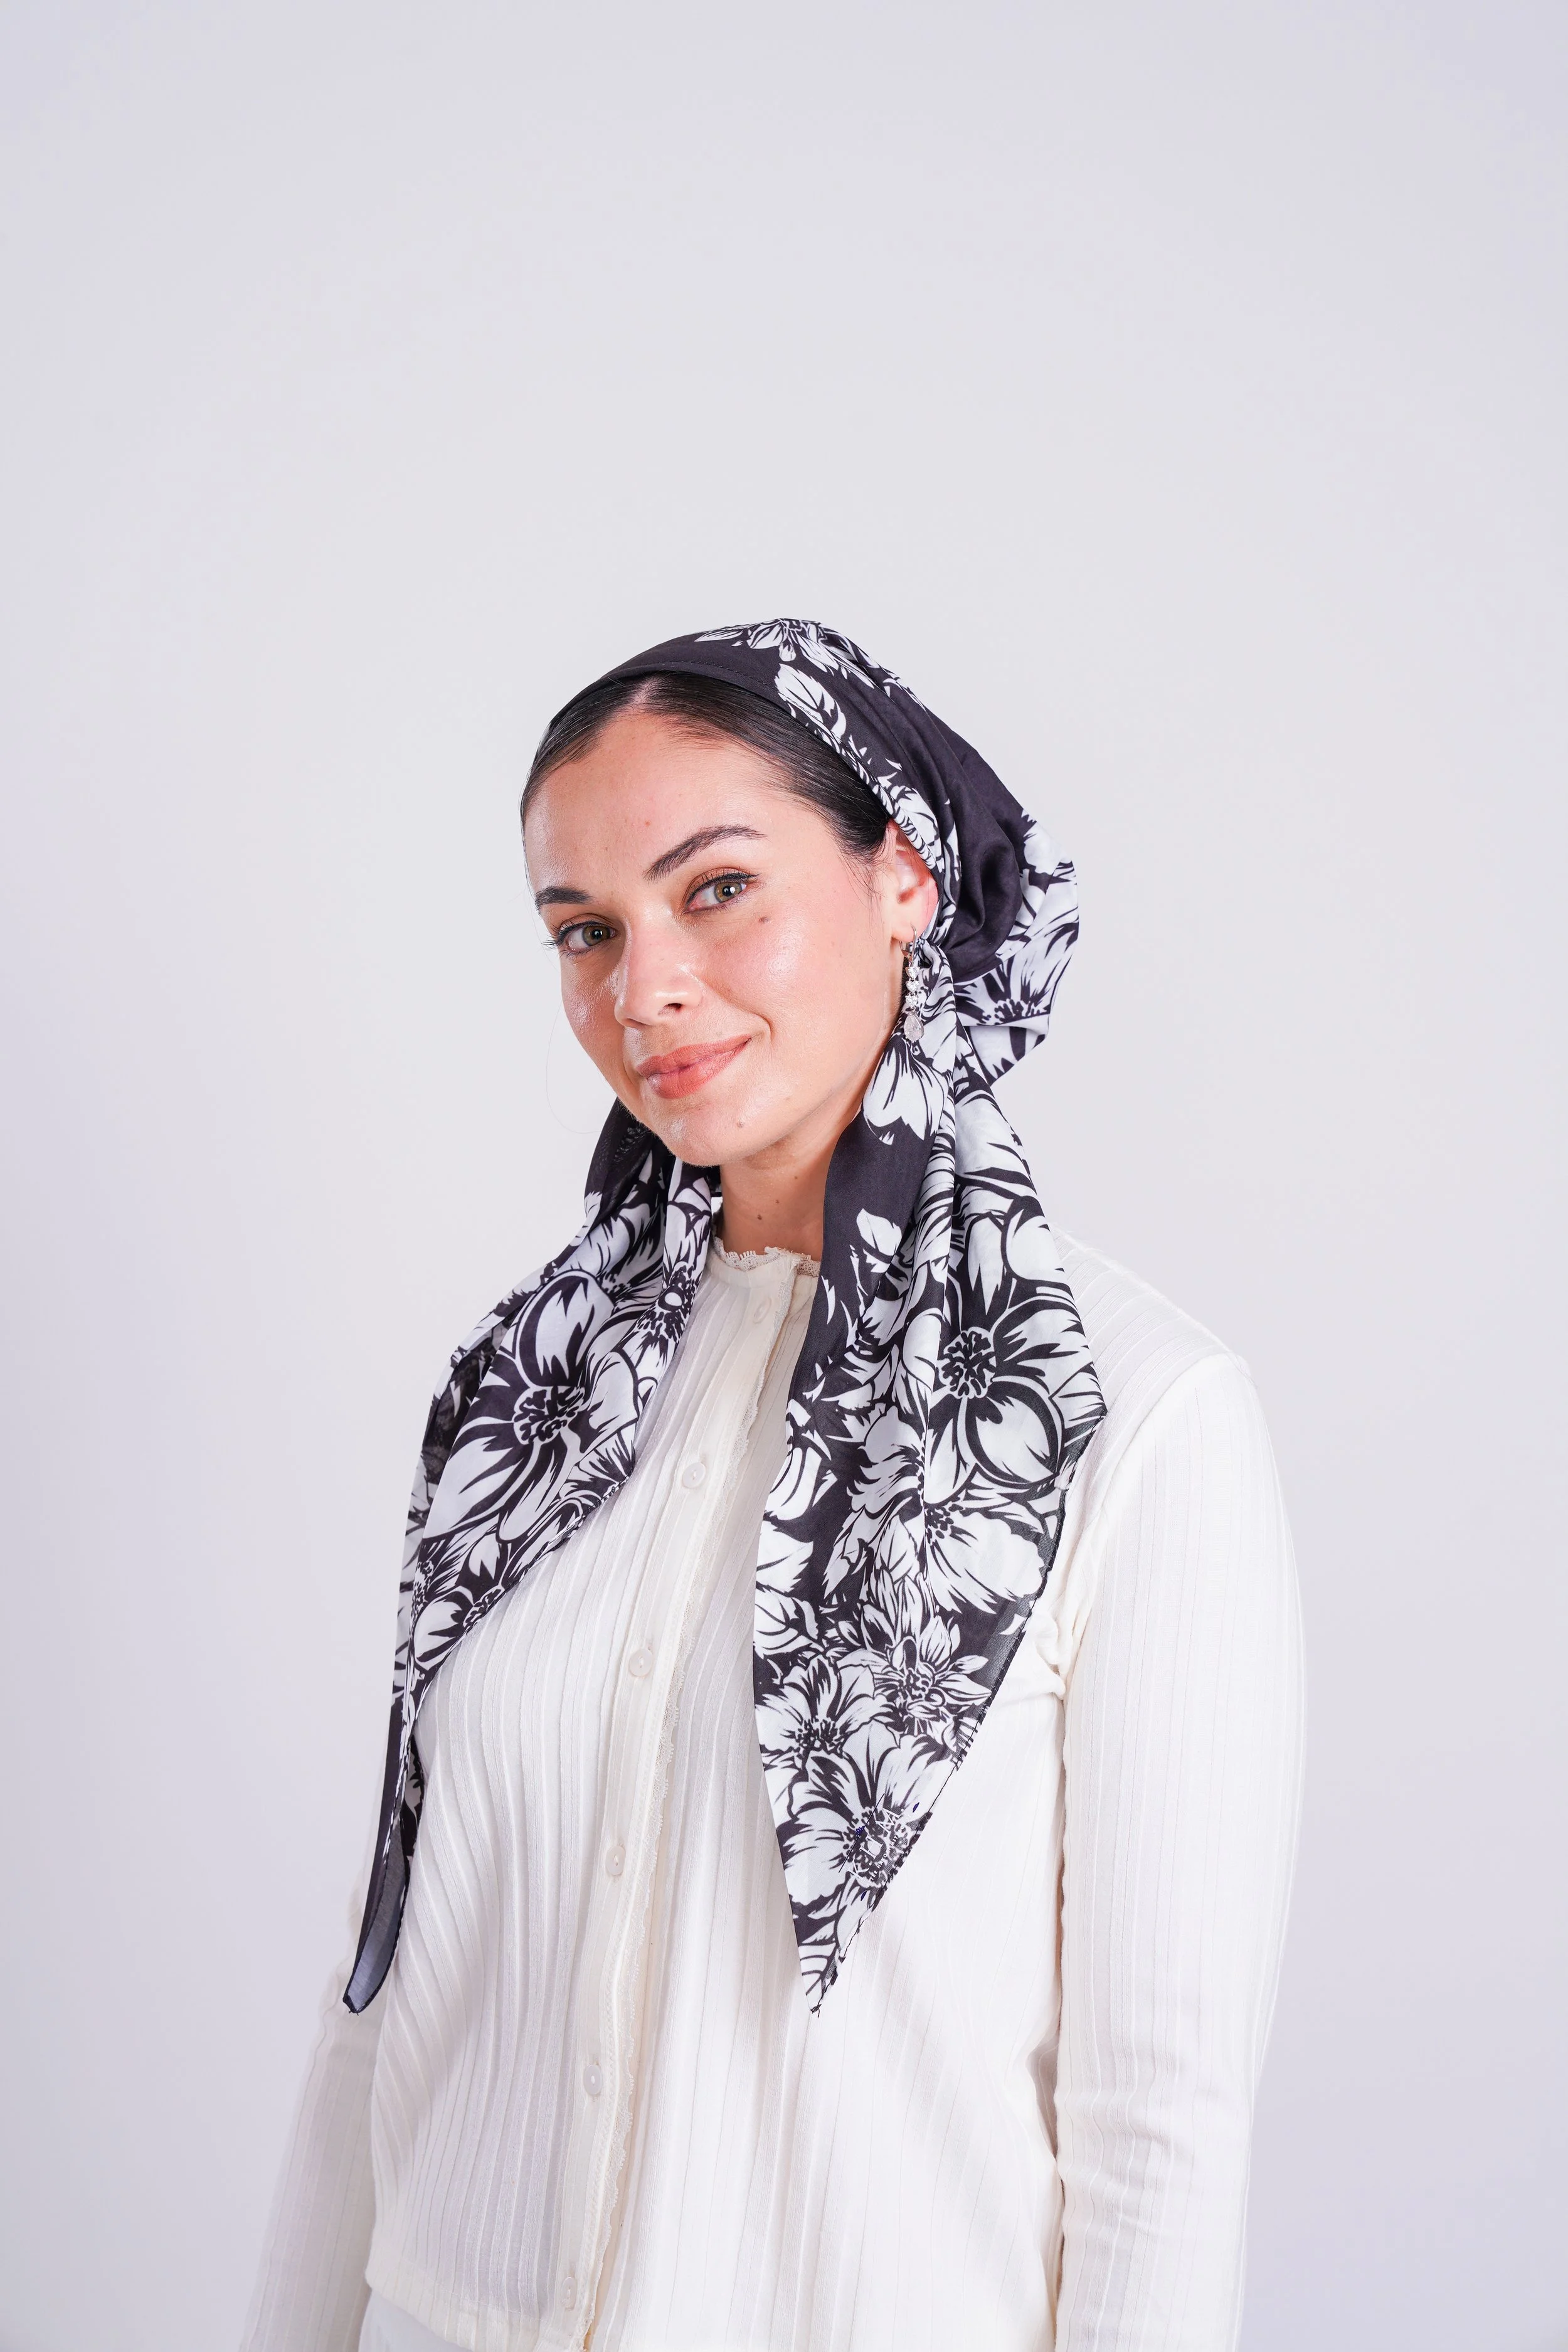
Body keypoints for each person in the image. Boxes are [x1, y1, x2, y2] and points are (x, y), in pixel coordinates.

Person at [243, 620, 1305, 2352]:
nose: (642, 987)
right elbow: (389, 1985)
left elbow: (1161, 2133)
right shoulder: (533, 1394)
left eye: (716, 888)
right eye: (585, 929)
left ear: (901, 876)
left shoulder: (1129, 1418)